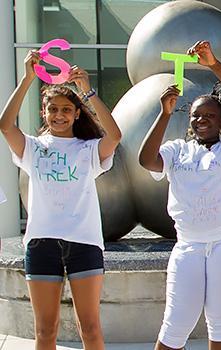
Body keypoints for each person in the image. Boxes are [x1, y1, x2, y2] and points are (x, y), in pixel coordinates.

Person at [138, 41, 221, 350]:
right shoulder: (178, 150)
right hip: (189, 244)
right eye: (195, 115)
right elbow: (147, 160)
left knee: (220, 322)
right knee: (175, 324)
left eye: (209, 115)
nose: (201, 119)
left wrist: (214, 65)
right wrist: (164, 114)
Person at [1, 50, 122, 350]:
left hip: (84, 243)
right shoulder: (34, 147)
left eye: (66, 109)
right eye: (53, 109)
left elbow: (115, 136)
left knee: (91, 328)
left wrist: (88, 92)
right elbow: (5, 125)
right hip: (42, 244)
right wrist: (27, 78)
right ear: (44, 112)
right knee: (45, 331)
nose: (59, 115)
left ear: (77, 113)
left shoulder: (88, 149)